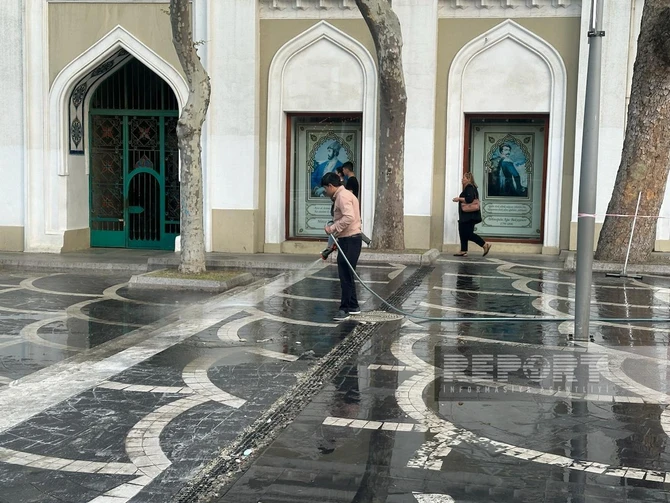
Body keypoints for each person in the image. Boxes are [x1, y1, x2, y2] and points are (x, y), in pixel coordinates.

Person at [321, 172, 362, 320]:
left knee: (345, 276)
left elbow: (349, 217)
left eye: (325, 188)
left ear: (331, 186)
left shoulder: (342, 197)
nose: (325, 191)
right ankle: (353, 306)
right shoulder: (343, 195)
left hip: (350, 240)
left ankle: (344, 309)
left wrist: (332, 228)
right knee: (348, 275)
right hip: (348, 239)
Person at [452, 172, 491, 257]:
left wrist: (459, 199)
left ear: (468, 179)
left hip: (468, 216)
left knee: (468, 234)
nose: (462, 179)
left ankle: (484, 244)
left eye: (464, 178)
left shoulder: (469, 187)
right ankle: (463, 250)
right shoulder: (470, 187)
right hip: (469, 216)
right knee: (463, 233)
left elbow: (469, 199)